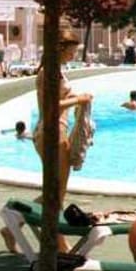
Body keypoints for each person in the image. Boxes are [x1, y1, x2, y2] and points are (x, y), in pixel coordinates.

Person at [29, 29, 93, 252]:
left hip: (53, 131)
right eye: (71, 51)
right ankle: (60, 244)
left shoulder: (54, 71)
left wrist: (76, 98)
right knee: (57, 194)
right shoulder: (49, 72)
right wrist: (79, 99)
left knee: (55, 192)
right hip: (53, 132)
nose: (73, 55)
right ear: (60, 49)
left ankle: (14, 223)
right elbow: (51, 106)